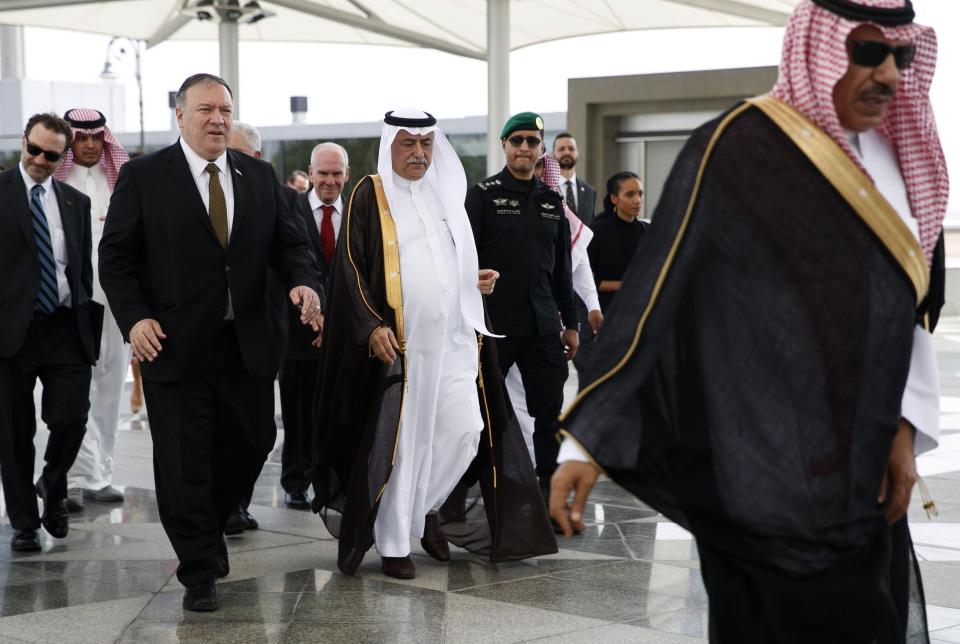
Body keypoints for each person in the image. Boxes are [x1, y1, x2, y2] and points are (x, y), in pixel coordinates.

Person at [551, 0, 946, 640]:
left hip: (862, 468)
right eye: (867, 52)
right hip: (755, 463)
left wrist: (907, 431)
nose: (889, 76)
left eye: (900, 56)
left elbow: (912, 312)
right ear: (818, 47)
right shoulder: (739, 148)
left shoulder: (904, 161)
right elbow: (659, 294)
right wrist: (588, 441)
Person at [99, 73, 323, 613]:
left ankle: (210, 524)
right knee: (183, 461)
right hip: (174, 345)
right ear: (181, 115)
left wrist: (303, 281)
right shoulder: (145, 177)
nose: (218, 119)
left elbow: (291, 246)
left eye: (225, 108)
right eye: (205, 109)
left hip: (246, 342)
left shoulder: (258, 175)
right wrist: (135, 319)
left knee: (252, 442)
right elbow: (116, 260)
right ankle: (199, 568)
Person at [311, 108, 556, 580]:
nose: (419, 154)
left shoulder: (446, 194)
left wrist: (473, 279)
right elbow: (350, 268)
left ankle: (423, 509)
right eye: (408, 144)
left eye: (425, 145)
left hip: (456, 338)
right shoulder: (370, 193)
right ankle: (395, 540)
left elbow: (449, 258)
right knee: (404, 441)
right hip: (402, 345)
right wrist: (371, 326)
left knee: (465, 431)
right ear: (390, 147)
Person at [465, 112, 578, 508]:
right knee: (484, 414)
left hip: (544, 326)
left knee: (549, 415)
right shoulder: (483, 194)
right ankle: (475, 495)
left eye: (532, 141)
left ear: (541, 149)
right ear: (504, 147)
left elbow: (562, 269)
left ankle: (548, 497)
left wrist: (571, 322)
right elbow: (463, 259)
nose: (525, 148)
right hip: (496, 325)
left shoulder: (551, 201)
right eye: (517, 141)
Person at [0, 113, 98, 552]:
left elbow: (82, 271)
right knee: (14, 431)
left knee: (70, 418)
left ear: (63, 157)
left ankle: (53, 485)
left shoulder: (76, 202)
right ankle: (24, 521)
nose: (40, 159)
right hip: (10, 333)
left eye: (51, 155)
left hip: (64, 327)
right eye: (34, 149)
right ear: (23, 142)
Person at [221, 120, 305, 535]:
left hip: (261, 325)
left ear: (254, 157)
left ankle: (238, 498)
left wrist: (307, 289)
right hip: (210, 329)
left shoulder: (279, 194)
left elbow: (295, 252)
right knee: (214, 424)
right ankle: (224, 505)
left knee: (256, 431)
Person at [52, 108, 131, 513]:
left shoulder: (122, 181)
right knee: (68, 389)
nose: (88, 145)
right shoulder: (54, 181)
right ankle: (65, 473)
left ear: (105, 141)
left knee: (111, 386)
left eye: (95, 138)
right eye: (80, 138)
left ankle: (100, 473)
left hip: (116, 306)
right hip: (66, 307)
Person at [506, 154, 601, 464]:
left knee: (543, 402)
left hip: (546, 323)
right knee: (512, 397)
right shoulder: (502, 205)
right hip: (508, 322)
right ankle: (515, 463)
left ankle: (538, 471)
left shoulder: (557, 213)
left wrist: (590, 310)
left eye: (539, 168)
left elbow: (576, 268)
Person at [278, 142, 347, 511]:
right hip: (297, 331)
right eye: (323, 173)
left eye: (337, 174)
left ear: (346, 175)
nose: (330, 181)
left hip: (344, 332)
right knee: (297, 411)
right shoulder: (288, 209)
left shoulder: (357, 213)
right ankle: (295, 481)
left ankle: (333, 481)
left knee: (338, 411)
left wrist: (334, 318)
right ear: (311, 172)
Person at [587, 172, 648, 312]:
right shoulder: (598, 230)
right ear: (614, 198)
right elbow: (584, 278)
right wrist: (624, 285)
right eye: (630, 194)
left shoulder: (647, 231)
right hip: (607, 310)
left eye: (640, 194)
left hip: (640, 308)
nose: (637, 200)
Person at [552, 133, 596, 226]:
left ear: (577, 152)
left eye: (571, 149)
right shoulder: (545, 188)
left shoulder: (590, 191)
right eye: (561, 149)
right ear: (553, 154)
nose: (567, 152)